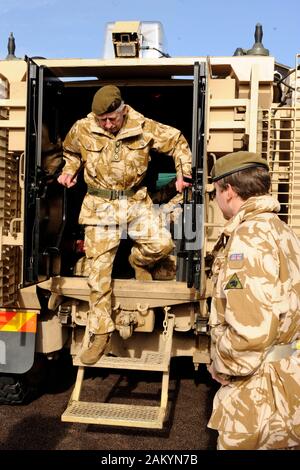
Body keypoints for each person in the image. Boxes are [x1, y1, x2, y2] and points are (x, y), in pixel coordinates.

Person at [57, 85, 192, 365]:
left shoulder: (143, 126)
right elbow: (70, 152)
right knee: (98, 273)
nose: (107, 125)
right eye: (101, 120)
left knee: (162, 244)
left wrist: (182, 174)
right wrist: (70, 170)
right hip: (99, 206)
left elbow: (178, 141)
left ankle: (138, 261)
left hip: (135, 202)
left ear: (123, 110)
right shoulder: (83, 127)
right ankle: (100, 331)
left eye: (112, 119)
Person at [207, 150, 300, 450]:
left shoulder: (248, 239)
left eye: (215, 191)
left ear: (229, 191)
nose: (215, 198)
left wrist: (221, 364)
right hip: (285, 378)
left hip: (256, 392)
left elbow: (249, 331)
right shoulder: (282, 230)